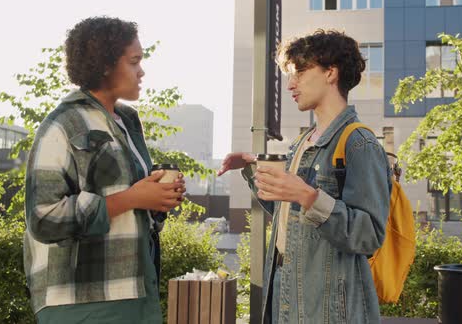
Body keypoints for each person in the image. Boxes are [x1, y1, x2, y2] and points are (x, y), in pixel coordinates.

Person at [218, 29, 391, 323]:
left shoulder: (359, 142)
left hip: (327, 304)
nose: (290, 84)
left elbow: (369, 235)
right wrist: (254, 171)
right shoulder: (304, 142)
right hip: (286, 286)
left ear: (330, 73)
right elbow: (288, 214)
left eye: (299, 71)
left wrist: (309, 196)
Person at [23, 17, 185, 323]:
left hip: (136, 290)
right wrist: (132, 199)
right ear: (106, 65)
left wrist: (158, 199)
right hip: (82, 299)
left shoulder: (127, 122)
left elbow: (132, 211)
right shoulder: (63, 124)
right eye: (135, 61)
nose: (142, 71)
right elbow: (43, 218)